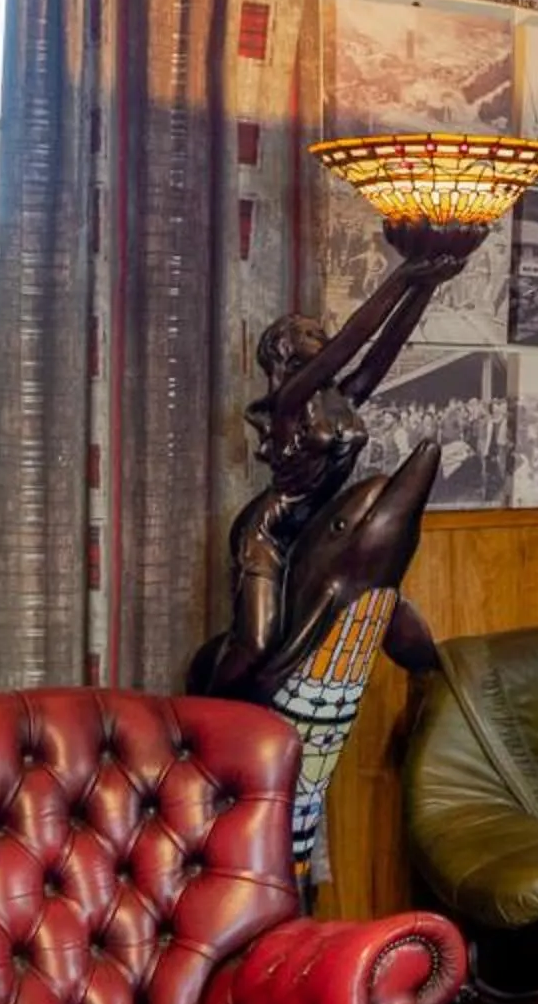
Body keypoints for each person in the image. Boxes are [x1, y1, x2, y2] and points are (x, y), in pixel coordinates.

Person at [187, 220, 483, 701]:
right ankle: (198, 713)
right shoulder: (289, 403)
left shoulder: (341, 398)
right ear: (284, 350)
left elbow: (383, 349)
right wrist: (403, 276)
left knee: (371, 605)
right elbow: (349, 344)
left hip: (317, 526)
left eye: (318, 329)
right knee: (258, 645)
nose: (318, 335)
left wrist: (427, 287)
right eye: (306, 333)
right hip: (272, 530)